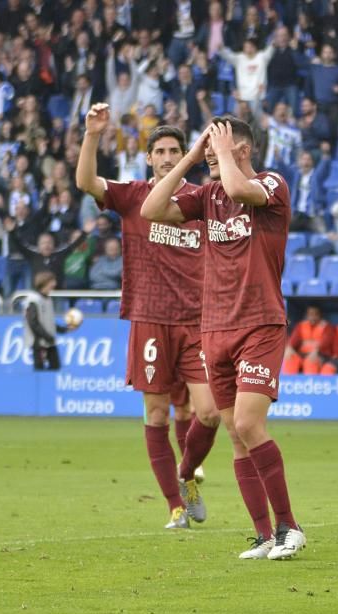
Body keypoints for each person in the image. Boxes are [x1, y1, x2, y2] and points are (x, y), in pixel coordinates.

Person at [141, 115, 306, 561]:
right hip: (214, 328)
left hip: (259, 323)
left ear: (243, 149)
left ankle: (289, 526)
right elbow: (151, 210)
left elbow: (238, 189)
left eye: (215, 148)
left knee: (250, 423)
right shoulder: (206, 194)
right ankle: (264, 535)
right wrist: (191, 158)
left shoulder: (272, 186)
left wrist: (224, 155)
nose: (208, 156)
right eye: (207, 150)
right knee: (235, 433)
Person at [77, 104, 221, 531]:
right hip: (150, 319)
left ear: (184, 155)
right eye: (159, 151)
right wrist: (92, 135)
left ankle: (187, 472)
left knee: (209, 412)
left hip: (198, 321)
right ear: (149, 158)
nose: (167, 157)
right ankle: (175, 506)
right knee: (156, 414)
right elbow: (85, 182)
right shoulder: (134, 196)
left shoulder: (201, 199)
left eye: (174, 150)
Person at [23, 271, 79, 371]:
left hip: (49, 341)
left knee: (55, 367)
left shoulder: (48, 299)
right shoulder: (33, 300)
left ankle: (48, 386)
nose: (54, 284)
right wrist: (47, 336)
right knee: (39, 371)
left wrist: (64, 329)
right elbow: (33, 323)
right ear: (44, 283)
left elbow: (49, 322)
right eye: (52, 282)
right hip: (39, 342)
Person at [283, 305, 335, 375]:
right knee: (290, 358)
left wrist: (316, 351)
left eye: (315, 314)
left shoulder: (326, 326)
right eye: (310, 314)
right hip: (303, 354)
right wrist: (289, 348)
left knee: (310, 361)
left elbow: (325, 342)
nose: (313, 316)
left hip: (320, 355)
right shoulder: (301, 325)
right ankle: (289, 383)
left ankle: (309, 384)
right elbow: (294, 340)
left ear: (320, 315)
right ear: (307, 315)